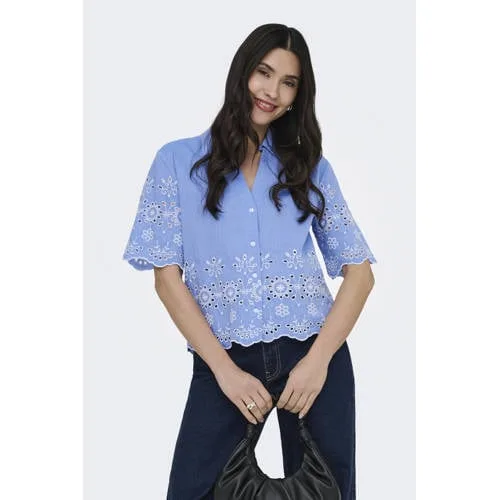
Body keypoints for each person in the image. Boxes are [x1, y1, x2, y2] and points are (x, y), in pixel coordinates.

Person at [123, 23, 376, 500]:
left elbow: (360, 275)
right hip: (225, 357)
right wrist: (224, 371)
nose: (272, 91)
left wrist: (318, 362)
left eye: (288, 82)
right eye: (264, 72)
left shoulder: (310, 167)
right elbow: (167, 280)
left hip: (312, 355)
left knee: (330, 493)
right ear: (242, 72)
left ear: (298, 96)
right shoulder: (176, 162)